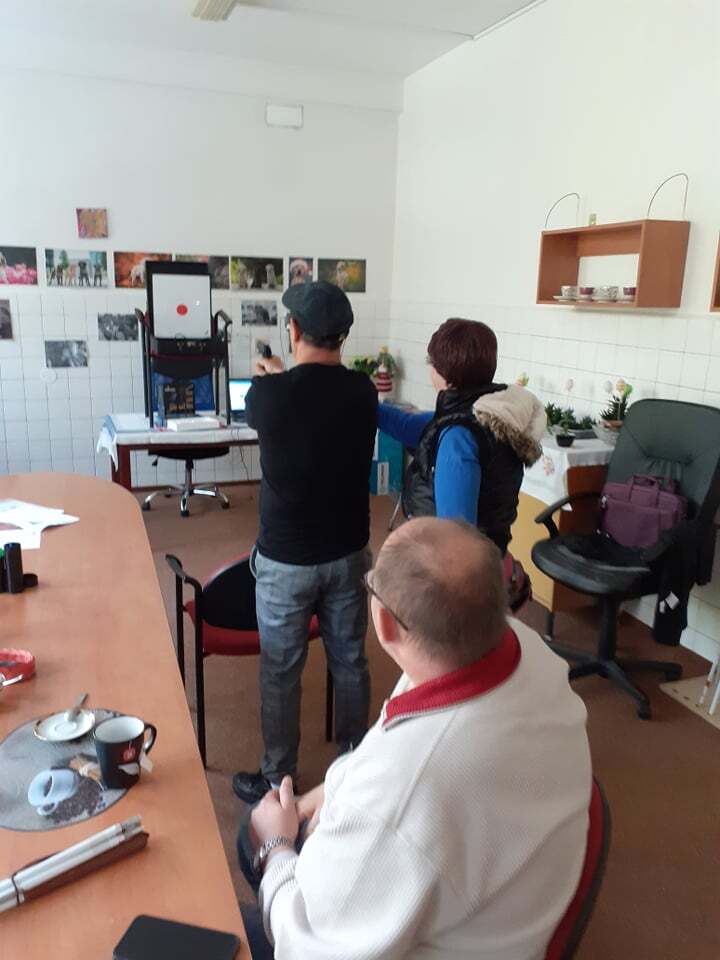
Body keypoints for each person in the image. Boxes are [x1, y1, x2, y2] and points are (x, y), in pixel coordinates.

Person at [238, 518, 592, 960]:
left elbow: (307, 947)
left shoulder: (407, 790)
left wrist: (276, 848)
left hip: (420, 924)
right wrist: (330, 791)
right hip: (501, 888)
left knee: (249, 844)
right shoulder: (527, 648)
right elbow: (396, 732)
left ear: (384, 623)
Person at [232, 281, 378, 805]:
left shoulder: (269, 395)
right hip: (349, 553)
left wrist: (274, 375)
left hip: (286, 561)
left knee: (280, 671)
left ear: (292, 329)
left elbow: (274, 405)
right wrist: (285, 377)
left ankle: (279, 780)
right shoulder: (364, 392)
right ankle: (356, 766)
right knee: (350, 661)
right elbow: (318, 399)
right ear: (343, 336)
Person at [378, 318, 545, 554]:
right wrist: (360, 396)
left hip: (462, 565)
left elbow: (456, 537)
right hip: (491, 551)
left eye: (432, 363)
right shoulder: (490, 412)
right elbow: (408, 425)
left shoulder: (458, 438)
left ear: (445, 372)